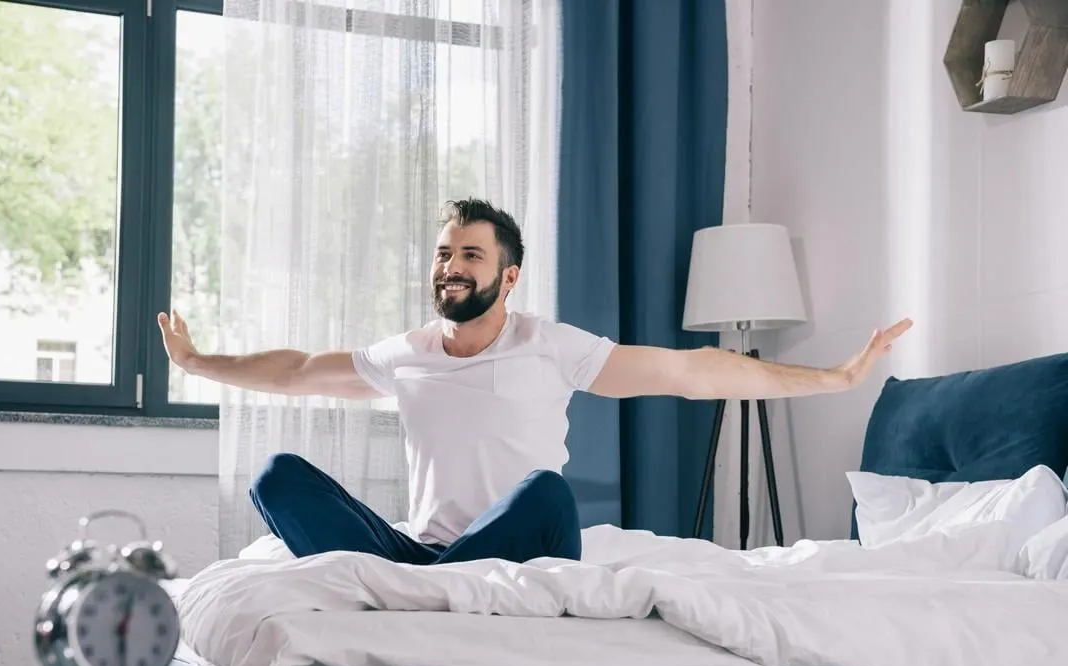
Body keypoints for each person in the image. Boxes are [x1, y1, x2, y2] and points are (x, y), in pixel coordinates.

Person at [158, 198, 911, 566]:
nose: (451, 267)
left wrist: (834, 377)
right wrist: (197, 363)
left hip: (517, 548)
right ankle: (427, 589)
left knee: (546, 492)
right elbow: (295, 370)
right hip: (422, 557)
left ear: (508, 275)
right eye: (444, 254)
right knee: (278, 475)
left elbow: (688, 372)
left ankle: (435, 591)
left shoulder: (550, 346)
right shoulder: (407, 352)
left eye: (471, 256)